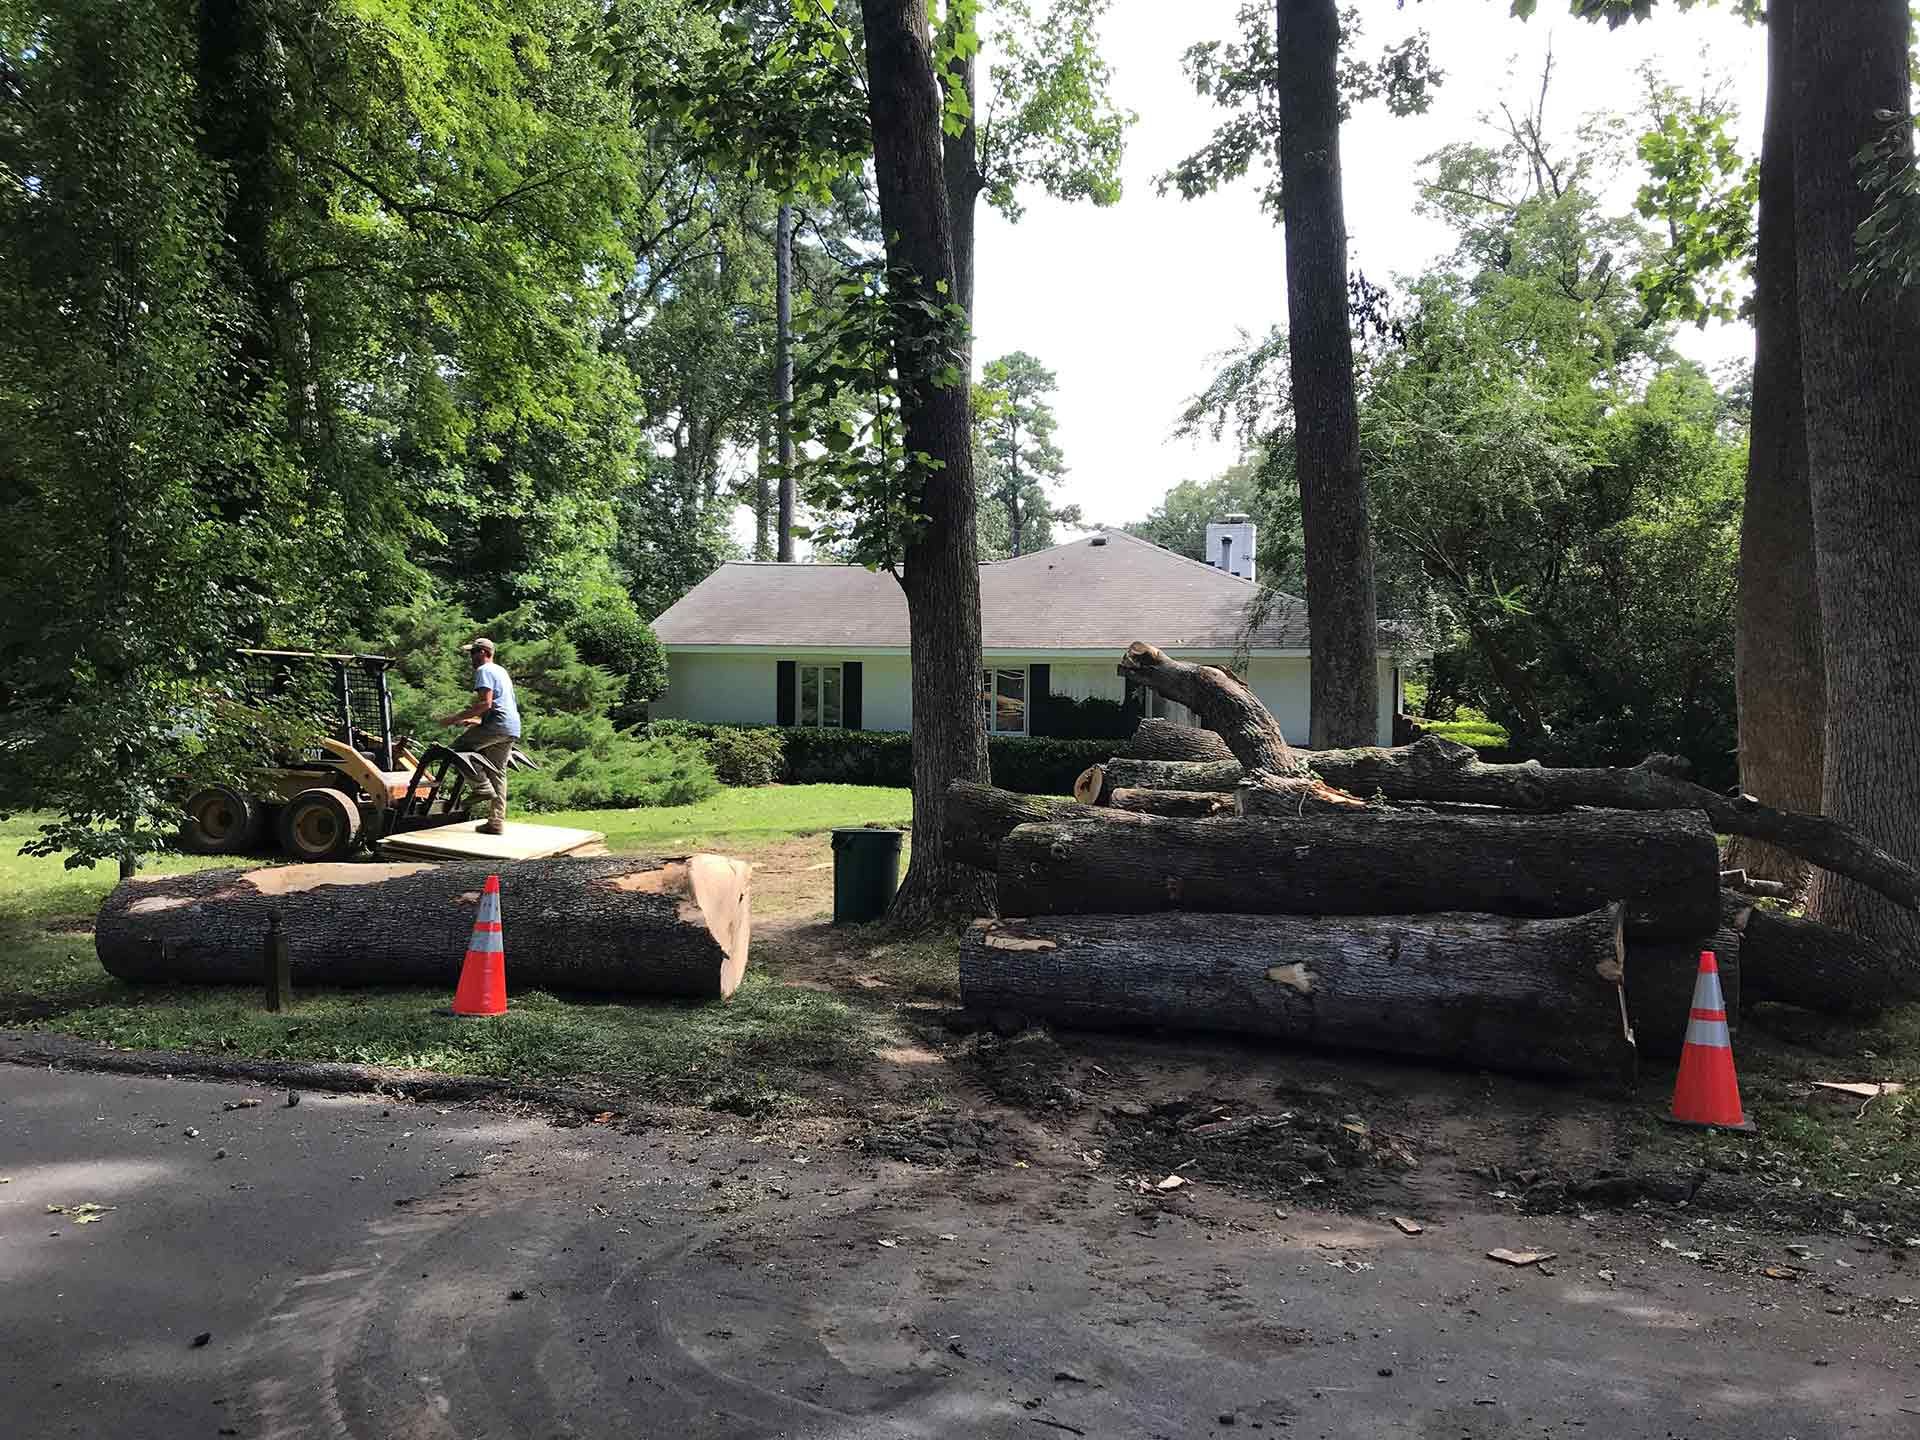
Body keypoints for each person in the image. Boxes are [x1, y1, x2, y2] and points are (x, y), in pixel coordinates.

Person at [437, 638, 522, 835]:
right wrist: (477, 722)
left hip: (497, 724)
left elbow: (486, 704)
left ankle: (482, 787)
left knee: (455, 751)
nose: (471, 658)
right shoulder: (501, 671)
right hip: (510, 727)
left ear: (483, 652)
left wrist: (453, 718)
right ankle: (496, 822)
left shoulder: (483, 671)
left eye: (473, 653)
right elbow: (501, 703)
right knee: (497, 773)